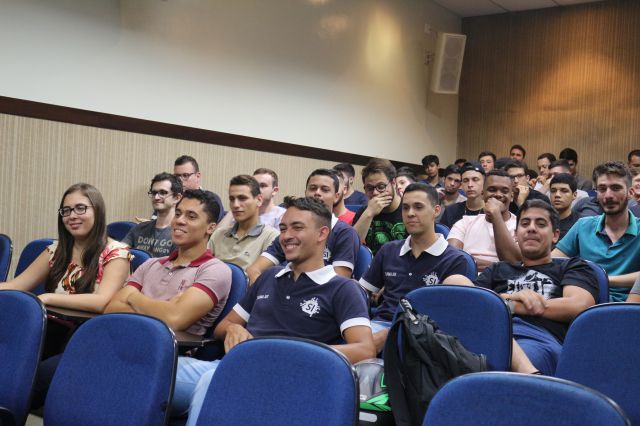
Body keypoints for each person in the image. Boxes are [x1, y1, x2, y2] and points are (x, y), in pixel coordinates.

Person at [173, 197, 375, 422]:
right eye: (283, 228)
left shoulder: (342, 288)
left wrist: (291, 353)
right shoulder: (269, 277)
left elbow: (365, 350)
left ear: (322, 234)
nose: (286, 236)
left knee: (211, 381)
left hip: (289, 379)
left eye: (297, 227)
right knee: (157, 368)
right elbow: (223, 326)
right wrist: (233, 329)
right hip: (237, 365)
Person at [458, 200, 598, 375]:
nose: (531, 228)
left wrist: (511, 305)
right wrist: (509, 299)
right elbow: (471, 304)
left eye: (541, 224)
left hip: (537, 339)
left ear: (555, 235)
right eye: (525, 224)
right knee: (455, 280)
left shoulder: (572, 266)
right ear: (516, 234)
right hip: (488, 331)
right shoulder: (498, 269)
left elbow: (579, 306)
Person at [359, 183, 471, 351]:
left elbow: (446, 317)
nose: (410, 213)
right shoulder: (389, 250)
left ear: (436, 211)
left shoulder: (454, 260)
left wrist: (392, 334)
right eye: (405, 208)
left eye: (418, 207)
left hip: (424, 334)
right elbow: (362, 293)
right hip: (380, 323)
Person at [106, 189, 231, 336]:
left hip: (172, 348)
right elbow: (111, 308)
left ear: (210, 228)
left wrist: (133, 297)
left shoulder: (216, 270)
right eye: (177, 214)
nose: (179, 221)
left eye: (191, 216)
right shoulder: (151, 264)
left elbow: (174, 319)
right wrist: (166, 307)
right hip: (126, 337)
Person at [1, 183, 130, 315]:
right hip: (53, 323)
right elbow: (15, 286)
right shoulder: (56, 250)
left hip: (94, 326)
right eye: (66, 210)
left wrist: (47, 298)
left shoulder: (116, 253)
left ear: (97, 211)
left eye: (80, 208)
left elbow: (101, 302)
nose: (72, 216)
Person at [247, 169, 359, 282]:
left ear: (336, 196)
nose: (317, 193)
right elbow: (254, 270)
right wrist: (264, 290)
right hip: (287, 288)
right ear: (305, 192)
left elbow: (338, 282)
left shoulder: (345, 232)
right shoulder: (290, 232)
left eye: (325, 190)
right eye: (312, 188)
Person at [553, 161, 640, 302]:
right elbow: (552, 262)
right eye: (602, 189)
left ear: (630, 192)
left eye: (616, 188)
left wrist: (603, 279)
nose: (608, 195)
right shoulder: (583, 226)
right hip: (584, 304)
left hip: (629, 305)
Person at [448, 170, 517, 272]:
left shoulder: (521, 226)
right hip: (468, 279)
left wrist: (496, 215)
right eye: (492, 190)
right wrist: (498, 267)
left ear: (511, 196)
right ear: (482, 194)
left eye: (504, 191)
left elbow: (515, 265)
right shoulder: (464, 223)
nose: (498, 194)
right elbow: (451, 258)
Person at [207, 175, 279, 270]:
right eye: (232, 199)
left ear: (259, 200)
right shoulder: (219, 234)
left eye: (242, 198)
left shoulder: (271, 236)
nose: (235, 205)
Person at [353, 158, 407, 255]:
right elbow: (351, 246)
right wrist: (369, 213)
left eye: (381, 187)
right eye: (369, 188)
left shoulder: (409, 210)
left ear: (394, 183)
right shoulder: (364, 212)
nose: (375, 193)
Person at [122, 173, 182, 257]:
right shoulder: (139, 228)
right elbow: (118, 252)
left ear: (177, 198)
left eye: (163, 193)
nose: (156, 197)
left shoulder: (181, 233)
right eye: (154, 193)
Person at [173, 155, 225, 222]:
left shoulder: (212, 199)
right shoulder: (171, 198)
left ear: (198, 176)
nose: (180, 180)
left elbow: (218, 227)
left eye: (185, 175)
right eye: (176, 176)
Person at [439, 162, 485, 229]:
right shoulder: (451, 211)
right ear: (461, 185)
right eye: (465, 180)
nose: (470, 185)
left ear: (484, 182)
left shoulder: (492, 211)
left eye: (475, 180)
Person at [549, 173, 579, 239]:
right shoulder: (542, 220)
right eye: (553, 191)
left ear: (574, 195)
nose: (557, 195)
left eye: (564, 191)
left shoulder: (580, 224)